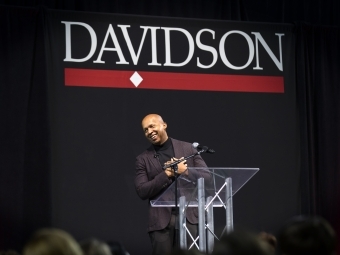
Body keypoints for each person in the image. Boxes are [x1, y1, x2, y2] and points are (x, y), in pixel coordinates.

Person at [134, 114, 211, 255]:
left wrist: (185, 171)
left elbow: (207, 177)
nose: (149, 132)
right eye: (145, 130)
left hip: (189, 218)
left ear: (164, 125)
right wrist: (166, 174)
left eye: (152, 126)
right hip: (161, 222)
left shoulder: (188, 149)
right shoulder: (143, 159)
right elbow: (142, 190)